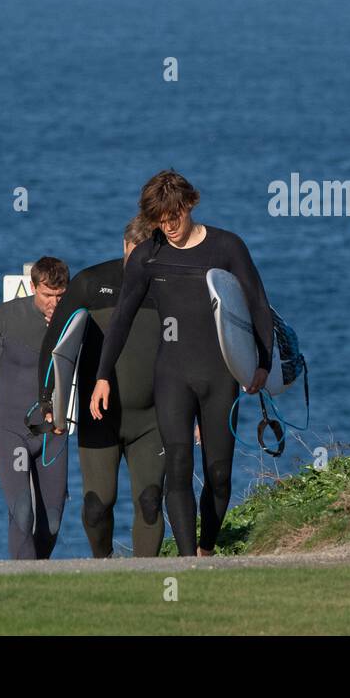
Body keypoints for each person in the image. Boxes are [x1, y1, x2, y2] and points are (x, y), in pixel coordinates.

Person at [87, 171, 273, 557]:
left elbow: (256, 301)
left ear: (190, 205)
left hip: (220, 375)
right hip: (171, 375)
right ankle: (190, 561)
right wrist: (103, 375)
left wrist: (262, 363)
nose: (167, 228)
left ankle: (206, 546)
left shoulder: (226, 247)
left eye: (174, 218)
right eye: (159, 221)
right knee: (177, 468)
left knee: (219, 474)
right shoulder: (147, 255)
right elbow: (121, 317)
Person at [35, 217, 166, 557]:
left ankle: (146, 581)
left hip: (153, 419)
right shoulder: (91, 283)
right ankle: (103, 565)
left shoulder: (167, 284)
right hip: (98, 418)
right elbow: (54, 343)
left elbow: (192, 346)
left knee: (151, 501)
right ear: (125, 246)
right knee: (97, 504)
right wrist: (49, 402)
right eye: (135, 255)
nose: (141, 265)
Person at [0, 256, 69, 560]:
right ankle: (23, 580)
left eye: (60, 295)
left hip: (53, 432)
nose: (54, 303)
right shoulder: (4, 316)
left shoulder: (74, 321)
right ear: (33, 287)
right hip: (10, 428)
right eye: (47, 295)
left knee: (52, 522)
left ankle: (35, 580)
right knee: (22, 512)